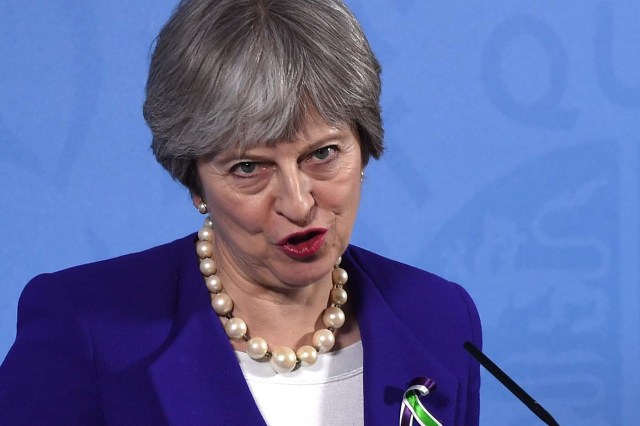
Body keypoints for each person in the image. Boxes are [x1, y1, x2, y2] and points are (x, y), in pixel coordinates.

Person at [0, 0, 481, 424]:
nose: (297, 202)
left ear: (365, 145)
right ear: (195, 180)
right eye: (249, 166)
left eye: (323, 154)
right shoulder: (84, 329)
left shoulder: (439, 319)